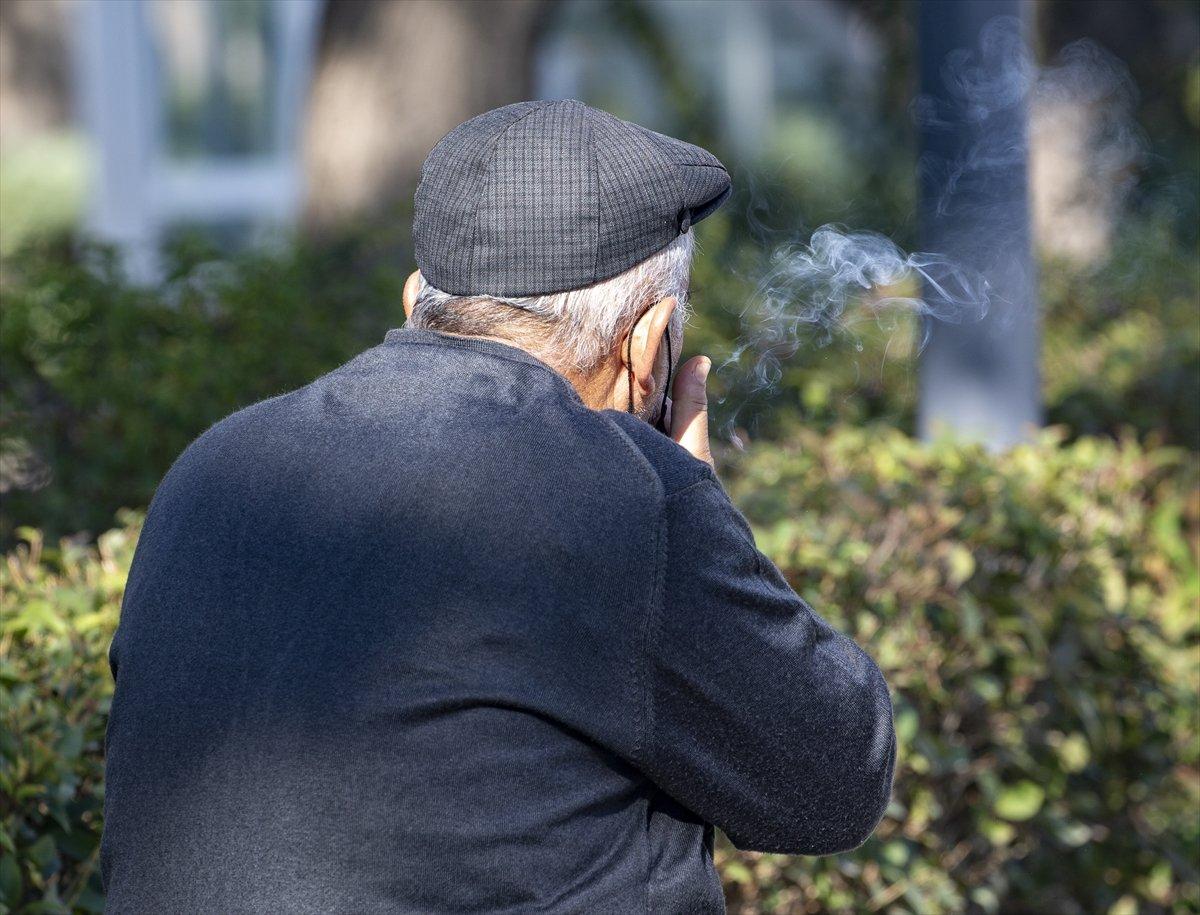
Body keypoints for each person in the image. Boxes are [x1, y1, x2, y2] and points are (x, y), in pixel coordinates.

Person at [101, 100, 895, 914]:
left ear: (419, 296)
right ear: (648, 347)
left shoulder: (213, 465)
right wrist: (693, 501)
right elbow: (834, 783)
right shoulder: (618, 495)